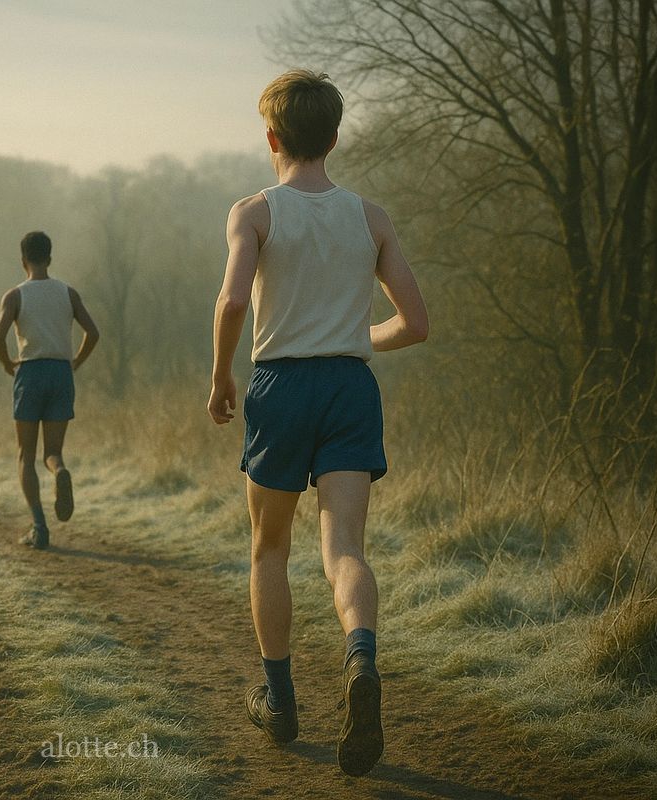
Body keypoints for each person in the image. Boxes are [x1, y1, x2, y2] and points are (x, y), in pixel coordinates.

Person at [207, 70, 429, 777]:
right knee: (345, 551)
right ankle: (360, 659)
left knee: (270, 548)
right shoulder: (371, 217)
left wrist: (220, 376)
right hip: (350, 389)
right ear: (334, 139)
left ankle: (280, 702)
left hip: (281, 387)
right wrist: (358, 338)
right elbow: (415, 323)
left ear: (271, 137)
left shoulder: (254, 212)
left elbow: (233, 301)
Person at [0, 231, 99, 550]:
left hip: (30, 373)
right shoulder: (68, 293)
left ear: (23, 260)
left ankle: (39, 527)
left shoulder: (14, 296)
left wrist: (7, 364)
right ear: (49, 259)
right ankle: (60, 471)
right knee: (52, 452)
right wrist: (75, 362)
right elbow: (93, 333)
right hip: (61, 373)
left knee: (25, 456)